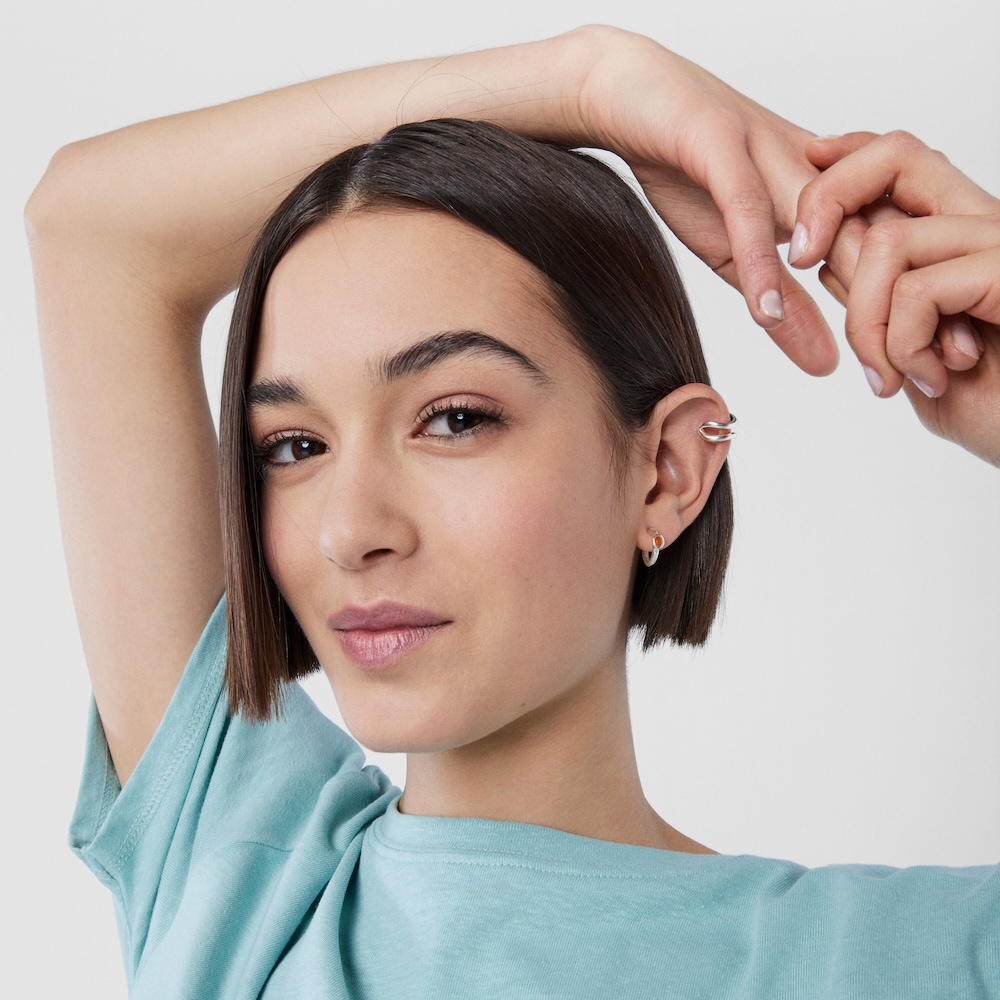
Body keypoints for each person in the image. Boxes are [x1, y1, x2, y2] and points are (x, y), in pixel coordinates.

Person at [25, 25, 1000, 998]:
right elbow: (95, 229)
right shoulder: (238, 883)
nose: (348, 529)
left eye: (453, 418)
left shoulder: (909, 955)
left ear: (666, 471)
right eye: (295, 445)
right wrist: (590, 85)